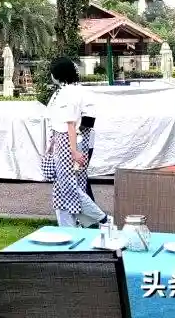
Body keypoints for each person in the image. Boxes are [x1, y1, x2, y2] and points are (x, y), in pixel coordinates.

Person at [44, 57, 107, 228]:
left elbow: (70, 123)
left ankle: (101, 219)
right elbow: (88, 120)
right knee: (64, 188)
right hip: (74, 141)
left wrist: (74, 150)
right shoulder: (76, 91)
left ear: (57, 74)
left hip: (68, 143)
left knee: (69, 186)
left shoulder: (67, 93)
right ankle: (69, 228)